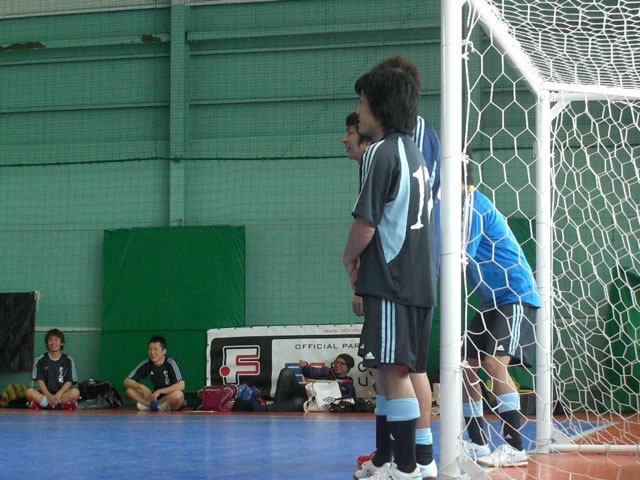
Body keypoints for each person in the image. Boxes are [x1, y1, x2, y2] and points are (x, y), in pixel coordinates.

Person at [344, 65, 437, 480]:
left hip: (392, 280)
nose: (358, 113)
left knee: (394, 373)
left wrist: (348, 259)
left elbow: (367, 223)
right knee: (391, 372)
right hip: (418, 280)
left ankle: (407, 468)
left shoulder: (381, 152)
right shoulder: (415, 153)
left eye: (362, 104)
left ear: (379, 108)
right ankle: (402, 460)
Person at [461, 155, 541, 467]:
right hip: (490, 301)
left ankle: (515, 447)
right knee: (465, 367)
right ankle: (478, 444)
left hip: (514, 294)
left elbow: (461, 256)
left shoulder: (474, 207)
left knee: (494, 363)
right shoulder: (458, 208)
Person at [256, 353, 356, 412]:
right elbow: (312, 372)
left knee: (298, 402)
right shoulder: (327, 371)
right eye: (336, 362)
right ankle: (276, 406)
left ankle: (268, 409)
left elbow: (351, 401)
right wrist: (305, 366)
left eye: (342, 364)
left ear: (348, 367)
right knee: (286, 372)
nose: (337, 365)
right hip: (302, 391)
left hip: (309, 400)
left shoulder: (348, 384)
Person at [124, 335, 185, 411]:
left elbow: (181, 385)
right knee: (130, 390)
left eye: (155, 349)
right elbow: (127, 381)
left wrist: (160, 391)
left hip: (169, 397)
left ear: (164, 351)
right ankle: (150, 405)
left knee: (178, 395)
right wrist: (141, 386)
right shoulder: (147, 364)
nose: (152, 352)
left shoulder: (171, 363)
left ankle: (162, 406)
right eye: (150, 349)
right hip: (155, 398)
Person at [26, 328, 80, 410]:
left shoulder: (68, 360)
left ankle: (43, 405)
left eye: (56, 340)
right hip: (44, 395)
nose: (53, 343)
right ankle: (61, 406)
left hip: (61, 395)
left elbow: (69, 381)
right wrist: (49, 396)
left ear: (62, 343)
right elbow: (40, 381)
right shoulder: (40, 360)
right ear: (47, 343)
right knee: (29, 392)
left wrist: (58, 395)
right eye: (50, 340)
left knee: (75, 392)